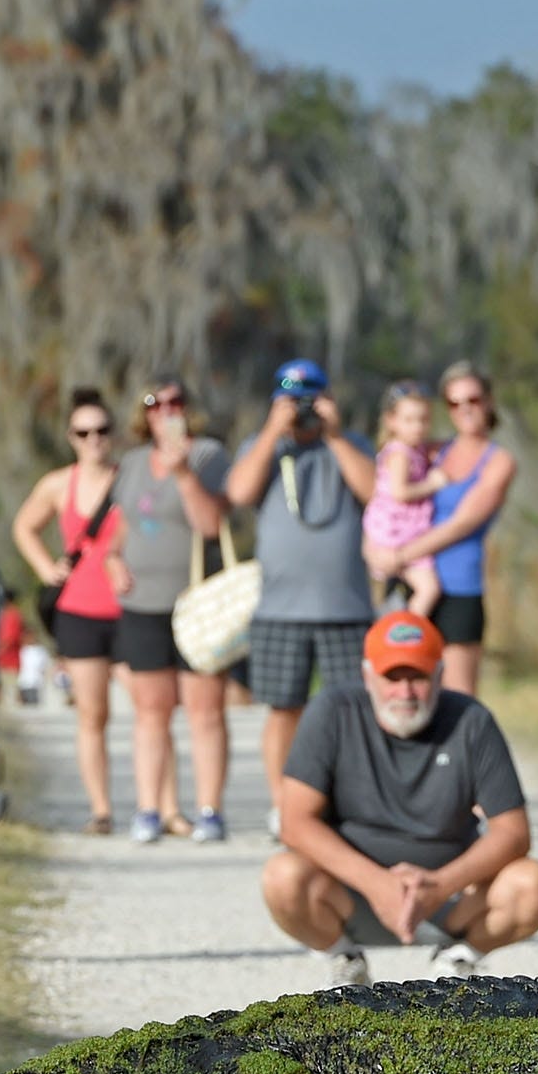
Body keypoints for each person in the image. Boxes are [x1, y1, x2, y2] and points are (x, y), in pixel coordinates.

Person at [261, 610, 538, 987]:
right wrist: (376, 884)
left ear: (439, 675)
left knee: (535, 883)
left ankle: (459, 958)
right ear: (368, 675)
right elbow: (295, 821)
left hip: (450, 902)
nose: (404, 692)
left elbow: (514, 832)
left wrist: (439, 885)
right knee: (282, 877)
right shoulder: (332, 711)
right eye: (392, 677)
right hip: (350, 897)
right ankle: (344, 957)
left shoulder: (472, 720)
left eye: (417, 677)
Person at [222, 358, 378, 836]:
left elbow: (376, 493)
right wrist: (274, 431)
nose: (304, 409)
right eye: (294, 399)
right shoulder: (263, 449)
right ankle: (282, 805)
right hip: (280, 609)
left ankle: (348, 805)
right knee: (283, 710)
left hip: (345, 608)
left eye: (311, 397)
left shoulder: (351, 446)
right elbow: (239, 492)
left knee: (354, 712)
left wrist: (332, 435)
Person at [110, 373, 234, 844]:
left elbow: (210, 524)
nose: (166, 412)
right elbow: (125, 526)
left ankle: (210, 810)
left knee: (204, 710)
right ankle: (149, 809)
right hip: (143, 603)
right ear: (143, 415)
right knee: (150, 711)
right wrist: (111, 560)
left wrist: (184, 474)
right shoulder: (134, 463)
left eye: (174, 402)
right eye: (154, 404)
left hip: (198, 603)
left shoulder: (207, 456)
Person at [11, 387, 123, 833]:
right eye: (84, 432)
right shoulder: (58, 484)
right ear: (71, 437)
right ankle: (101, 808)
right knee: (93, 713)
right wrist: (45, 567)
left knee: (154, 711)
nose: (94, 439)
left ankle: (160, 807)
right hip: (79, 609)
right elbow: (23, 526)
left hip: (132, 606)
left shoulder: (131, 476)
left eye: (102, 430)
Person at [375, 360, 518, 695]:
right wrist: (374, 546)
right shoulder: (432, 451)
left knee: (457, 696)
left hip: (457, 586)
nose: (465, 410)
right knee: (403, 692)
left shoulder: (499, 462)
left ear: (488, 401)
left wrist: (399, 554)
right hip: (410, 579)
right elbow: (386, 496)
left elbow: (462, 524)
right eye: (455, 403)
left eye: (473, 400)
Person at [362, 379, 445, 616]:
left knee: (401, 593)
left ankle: (395, 626)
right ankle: (405, 632)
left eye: (424, 420)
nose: (418, 427)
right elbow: (400, 492)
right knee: (428, 588)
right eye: (409, 420)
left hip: (404, 531)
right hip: (395, 533)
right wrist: (433, 484)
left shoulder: (416, 449)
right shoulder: (399, 452)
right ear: (392, 421)